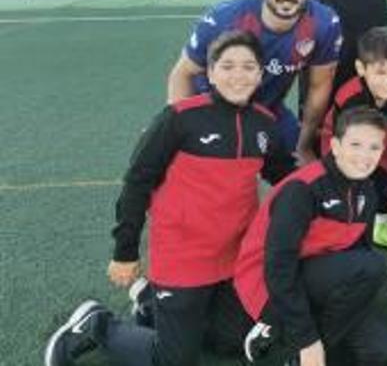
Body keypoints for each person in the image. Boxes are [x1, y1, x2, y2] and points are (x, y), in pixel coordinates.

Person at [44, 32, 294, 366]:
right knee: (174, 360)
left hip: (234, 257)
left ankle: (149, 301)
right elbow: (137, 182)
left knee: (233, 342)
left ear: (260, 74)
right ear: (210, 71)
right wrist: (125, 252)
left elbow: (285, 175)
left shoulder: (265, 123)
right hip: (183, 257)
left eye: (249, 66)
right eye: (228, 65)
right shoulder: (179, 118)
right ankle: (98, 324)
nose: (239, 75)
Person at [236, 107, 387, 366]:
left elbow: (358, 250)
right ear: (335, 146)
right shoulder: (302, 189)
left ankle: (308, 353)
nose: (365, 156)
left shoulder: (368, 191)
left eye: (374, 147)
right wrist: (307, 340)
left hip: (322, 281)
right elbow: (278, 266)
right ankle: (281, 331)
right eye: (356, 144)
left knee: (385, 351)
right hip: (269, 286)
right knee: (371, 266)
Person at [167, 0, 341, 157]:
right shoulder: (224, 19)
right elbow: (183, 72)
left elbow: (319, 87)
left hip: (269, 110)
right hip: (215, 111)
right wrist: (177, 130)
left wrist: (303, 146)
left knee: (308, 178)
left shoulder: (324, 23)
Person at [317, 27, 387, 304]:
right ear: (361, 68)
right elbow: (352, 147)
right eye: (380, 73)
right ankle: (342, 262)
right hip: (346, 152)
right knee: (350, 201)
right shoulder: (350, 96)